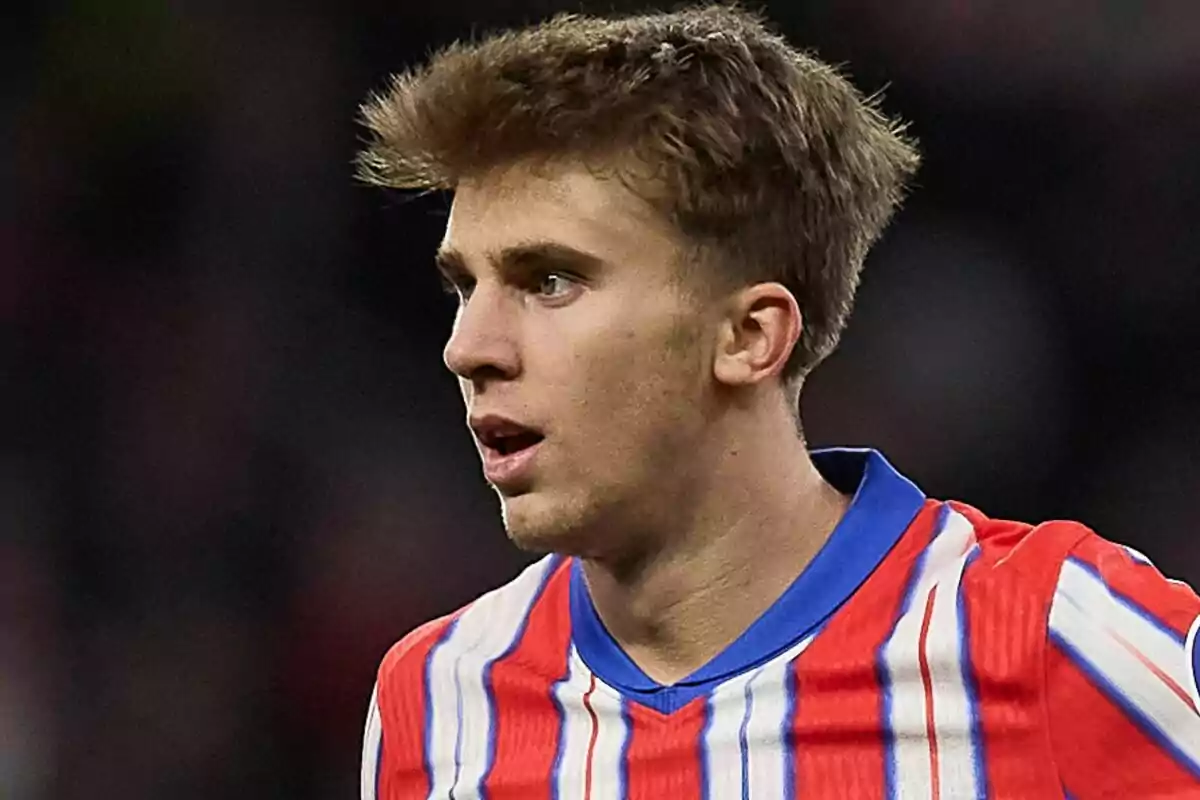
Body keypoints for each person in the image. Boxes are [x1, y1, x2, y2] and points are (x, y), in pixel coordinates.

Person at [354, 5, 1200, 798]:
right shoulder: (434, 700)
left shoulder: (1054, 632)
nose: (468, 348)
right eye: (464, 285)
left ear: (751, 336)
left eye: (550, 280)